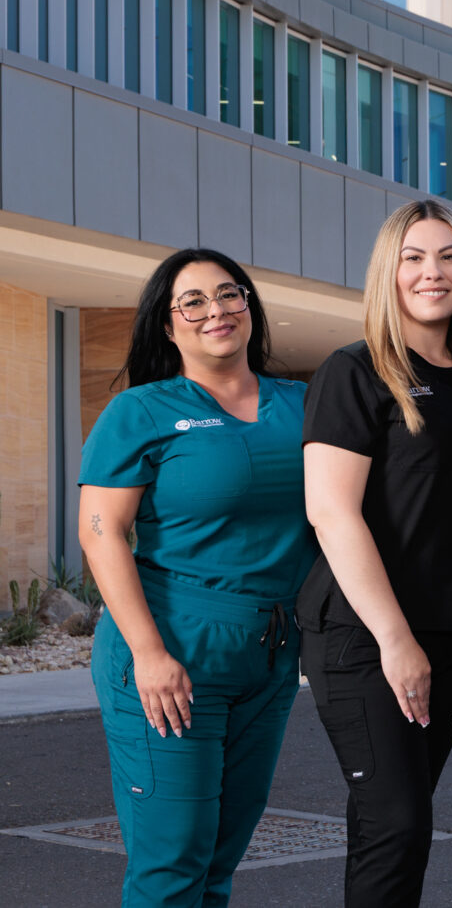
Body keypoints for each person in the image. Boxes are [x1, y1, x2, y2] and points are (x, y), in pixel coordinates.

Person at [78, 248, 312, 906]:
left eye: (230, 293)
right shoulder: (142, 411)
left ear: (249, 305)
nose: (218, 310)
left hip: (270, 652)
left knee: (218, 860)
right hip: (171, 650)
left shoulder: (302, 403)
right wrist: (150, 653)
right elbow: (99, 533)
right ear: (168, 324)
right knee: (172, 864)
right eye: (195, 301)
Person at [299, 200, 452, 906]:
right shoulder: (356, 372)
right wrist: (394, 637)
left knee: (386, 826)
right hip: (364, 635)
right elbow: (330, 509)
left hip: (449, 639)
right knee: (401, 824)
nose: (431, 272)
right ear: (389, 271)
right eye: (413, 257)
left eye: (447, 256)